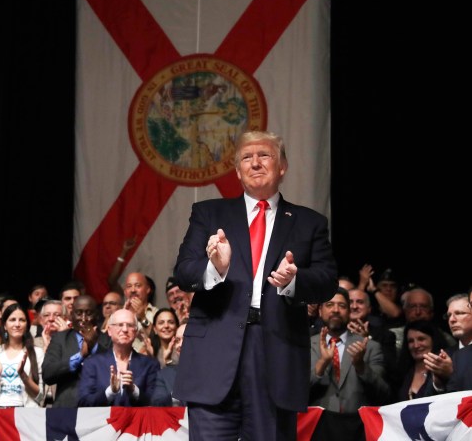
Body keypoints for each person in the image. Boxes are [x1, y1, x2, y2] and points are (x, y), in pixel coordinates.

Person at [173, 130, 337, 440]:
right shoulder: (209, 213)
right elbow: (183, 271)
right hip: (214, 353)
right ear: (237, 171)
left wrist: (294, 281)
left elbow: (327, 281)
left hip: (275, 351)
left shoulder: (309, 222)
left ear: (282, 166)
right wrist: (215, 268)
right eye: (247, 157)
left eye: (265, 155)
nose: (256, 162)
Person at [309, 289, 389, 412]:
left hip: (357, 425)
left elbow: (383, 394)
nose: (335, 310)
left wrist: (361, 366)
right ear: (320, 311)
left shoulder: (370, 347)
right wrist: (322, 364)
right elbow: (295, 392)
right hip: (318, 424)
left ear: (349, 312)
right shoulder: (307, 346)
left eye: (342, 306)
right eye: (329, 305)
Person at [78, 308, 159, 407]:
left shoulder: (150, 364)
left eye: (130, 325)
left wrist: (134, 390)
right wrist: (110, 392)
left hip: (139, 421)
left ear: (136, 331)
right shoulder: (92, 363)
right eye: (119, 325)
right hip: (103, 421)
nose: (125, 330)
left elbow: (156, 403)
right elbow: (84, 402)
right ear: (109, 331)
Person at [43, 295, 111, 407]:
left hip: (98, 410)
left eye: (89, 313)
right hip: (66, 409)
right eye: (79, 313)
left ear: (97, 315)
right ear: (71, 315)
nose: (83, 319)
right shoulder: (60, 339)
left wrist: (93, 347)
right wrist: (80, 356)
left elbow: (113, 371)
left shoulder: (108, 341)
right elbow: (48, 374)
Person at [0, 303, 44, 410]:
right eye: (12, 320)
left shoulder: (37, 352)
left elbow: (40, 397)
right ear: (5, 325)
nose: (17, 324)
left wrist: (23, 375)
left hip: (25, 412)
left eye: (22, 320)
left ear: (27, 325)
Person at [392, 320, 449, 401]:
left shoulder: (444, 369)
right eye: (411, 341)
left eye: (421, 339)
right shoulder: (402, 372)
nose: (416, 345)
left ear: (434, 340)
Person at [152, 322, 186, 406]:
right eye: (177, 341)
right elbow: (156, 403)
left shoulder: (211, 371)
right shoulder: (164, 374)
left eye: (186, 339)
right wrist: (175, 395)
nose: (180, 345)